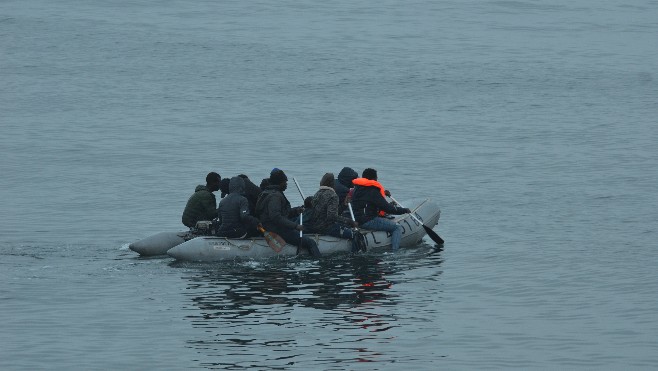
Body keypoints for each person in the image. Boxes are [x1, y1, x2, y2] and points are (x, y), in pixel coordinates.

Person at [255, 169, 321, 257]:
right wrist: (295, 226)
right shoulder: (275, 196)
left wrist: (296, 210)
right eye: (285, 182)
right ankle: (318, 263)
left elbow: (283, 212)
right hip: (277, 230)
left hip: (269, 227)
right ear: (280, 182)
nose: (286, 184)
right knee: (311, 242)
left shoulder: (266, 193)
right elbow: (276, 217)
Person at [350, 168, 410, 250]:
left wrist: (382, 194)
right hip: (367, 221)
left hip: (356, 220)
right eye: (376, 178)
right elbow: (388, 209)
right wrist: (404, 210)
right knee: (397, 228)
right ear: (373, 179)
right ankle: (395, 253)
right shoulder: (373, 191)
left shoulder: (356, 189)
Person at [307, 173, 358, 239]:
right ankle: (357, 249)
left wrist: (344, 204)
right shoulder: (333, 196)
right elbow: (332, 216)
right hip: (326, 228)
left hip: (314, 226)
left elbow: (329, 212)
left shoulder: (317, 193)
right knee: (354, 235)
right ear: (332, 183)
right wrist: (350, 221)